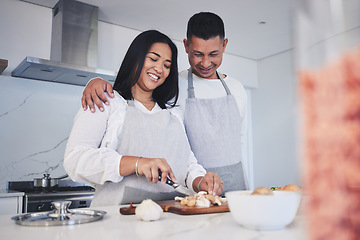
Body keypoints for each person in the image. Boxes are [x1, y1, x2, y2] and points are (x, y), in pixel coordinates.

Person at [80, 12, 248, 193]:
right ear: (186, 46)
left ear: (225, 45)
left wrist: (200, 179)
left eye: (213, 54)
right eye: (198, 54)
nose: (205, 62)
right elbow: (136, 89)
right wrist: (95, 81)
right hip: (186, 190)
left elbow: (238, 140)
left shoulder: (236, 89)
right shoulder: (173, 86)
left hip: (227, 184)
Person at [64, 30, 224, 207]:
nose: (159, 69)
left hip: (169, 221)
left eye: (167, 65)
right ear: (136, 57)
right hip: (116, 224)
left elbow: (187, 165)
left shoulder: (174, 114)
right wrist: (137, 163)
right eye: (153, 59)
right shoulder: (106, 100)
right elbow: (74, 159)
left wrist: (201, 181)